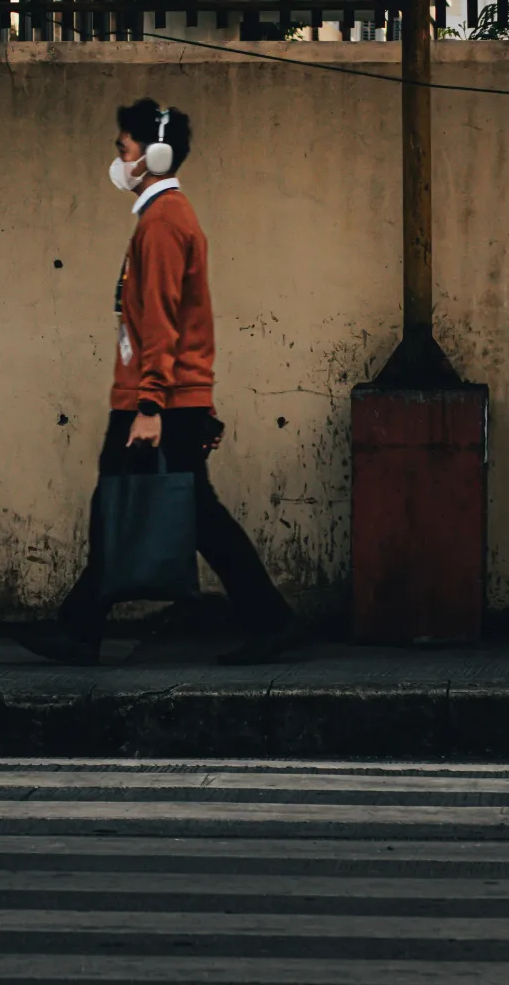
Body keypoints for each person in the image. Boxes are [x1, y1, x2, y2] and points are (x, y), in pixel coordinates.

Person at [20, 100, 311, 667]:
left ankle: (80, 630)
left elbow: (161, 319)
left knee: (130, 507)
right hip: (165, 397)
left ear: (154, 155)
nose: (117, 159)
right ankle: (84, 628)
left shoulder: (162, 224)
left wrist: (149, 404)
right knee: (172, 511)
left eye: (123, 148)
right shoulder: (163, 218)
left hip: (159, 400)